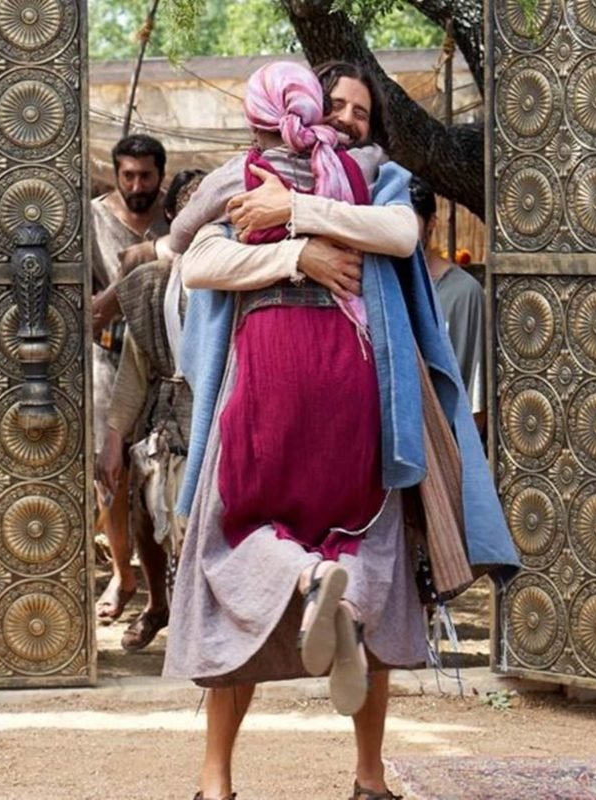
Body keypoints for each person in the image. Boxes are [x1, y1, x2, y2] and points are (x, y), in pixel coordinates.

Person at [165, 61, 519, 800]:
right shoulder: (358, 173)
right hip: (361, 399)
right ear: (312, 108)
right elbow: (197, 257)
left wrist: (291, 213)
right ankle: (360, 748)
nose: (351, 118)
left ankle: (221, 780)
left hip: (279, 392)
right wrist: (299, 249)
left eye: (363, 110)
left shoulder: (287, 172)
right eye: (338, 104)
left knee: (232, 546)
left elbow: (185, 249)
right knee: (373, 553)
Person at [95, 171, 205, 651]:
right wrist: (114, 441)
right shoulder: (151, 281)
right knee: (147, 510)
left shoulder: (244, 271)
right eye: (192, 209)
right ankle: (158, 605)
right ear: (176, 218)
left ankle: (203, 621)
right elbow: (134, 371)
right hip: (165, 408)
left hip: (219, 415)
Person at [91, 134, 169, 624]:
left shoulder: (177, 218)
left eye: (145, 175)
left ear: (161, 174)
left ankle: (165, 595)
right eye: (128, 175)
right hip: (108, 358)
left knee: (158, 478)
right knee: (111, 476)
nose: (136, 184)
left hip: (163, 363)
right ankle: (123, 575)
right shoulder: (95, 217)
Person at [409, 177, 487, 433]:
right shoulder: (369, 285)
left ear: (431, 224)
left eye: (408, 223)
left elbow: (475, 406)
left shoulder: (462, 294)